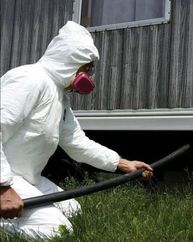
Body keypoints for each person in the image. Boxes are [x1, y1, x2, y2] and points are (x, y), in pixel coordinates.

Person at [0, 21, 153, 239]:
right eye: (87, 68)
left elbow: (77, 143)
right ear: (70, 60)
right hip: (7, 178)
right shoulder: (29, 79)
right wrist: (3, 188)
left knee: (75, 212)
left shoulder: (59, 96)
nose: (88, 77)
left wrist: (124, 164)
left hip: (27, 177)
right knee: (57, 232)